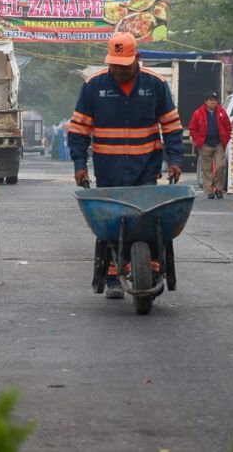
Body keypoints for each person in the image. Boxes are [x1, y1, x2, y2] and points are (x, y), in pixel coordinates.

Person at [67, 32, 183, 299]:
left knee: (148, 219)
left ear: (137, 59)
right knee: (112, 222)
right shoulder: (94, 86)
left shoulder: (156, 84)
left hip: (145, 169)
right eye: (114, 64)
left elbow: (172, 126)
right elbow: (79, 130)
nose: (118, 70)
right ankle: (111, 273)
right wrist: (79, 164)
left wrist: (175, 160)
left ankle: (152, 265)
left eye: (124, 65)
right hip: (109, 171)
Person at [189, 91, 231, 199]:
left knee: (220, 166)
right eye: (211, 100)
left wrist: (225, 140)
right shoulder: (198, 113)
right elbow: (192, 129)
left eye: (215, 100)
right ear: (206, 102)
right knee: (206, 168)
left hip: (218, 144)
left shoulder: (222, 112)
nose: (213, 102)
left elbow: (228, 127)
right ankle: (209, 191)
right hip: (204, 145)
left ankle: (218, 188)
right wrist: (198, 141)